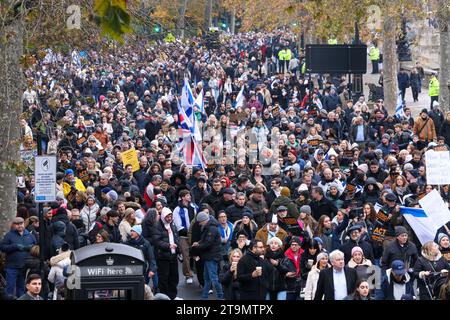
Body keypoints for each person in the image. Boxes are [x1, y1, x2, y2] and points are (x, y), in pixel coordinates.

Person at [191, 211, 224, 300]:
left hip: (211, 257)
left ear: (204, 220)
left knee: (213, 278)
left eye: (200, 222)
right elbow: (204, 240)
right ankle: (204, 296)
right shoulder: (208, 227)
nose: (199, 224)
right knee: (207, 278)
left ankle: (221, 296)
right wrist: (198, 242)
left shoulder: (211, 228)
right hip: (209, 256)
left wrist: (198, 245)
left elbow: (208, 243)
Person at [0, 217, 37, 298]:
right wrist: (14, 246)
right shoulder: (9, 235)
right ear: (14, 225)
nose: (20, 226)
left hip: (25, 267)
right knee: (9, 288)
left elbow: (36, 248)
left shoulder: (30, 235)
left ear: (24, 223)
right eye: (17, 224)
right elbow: (2, 247)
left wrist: (31, 248)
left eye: (21, 223)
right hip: (11, 267)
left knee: (22, 289)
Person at [152, 207, 181, 300]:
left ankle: (173, 296)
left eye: (171, 216)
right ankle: (165, 297)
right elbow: (157, 241)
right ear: (163, 217)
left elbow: (176, 237)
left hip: (173, 255)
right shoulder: (157, 226)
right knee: (164, 278)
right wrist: (168, 246)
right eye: (167, 217)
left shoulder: (172, 224)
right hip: (162, 256)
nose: (169, 218)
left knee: (174, 277)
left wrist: (179, 250)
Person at [173, 190, 197, 284]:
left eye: (189, 195)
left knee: (195, 254)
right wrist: (189, 232)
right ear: (183, 197)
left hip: (194, 236)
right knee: (186, 256)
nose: (189, 197)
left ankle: (197, 272)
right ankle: (188, 275)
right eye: (187, 195)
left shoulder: (194, 207)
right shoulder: (177, 209)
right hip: (183, 236)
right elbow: (178, 225)